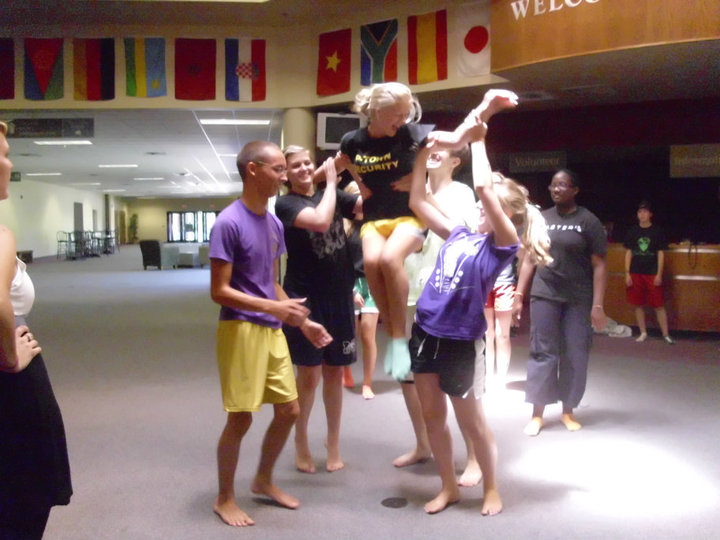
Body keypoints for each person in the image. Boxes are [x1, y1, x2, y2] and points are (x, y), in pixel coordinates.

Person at [407, 89, 553, 515]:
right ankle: (448, 487)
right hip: (425, 333)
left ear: (501, 215)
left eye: (486, 208)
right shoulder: (459, 234)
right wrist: (422, 154)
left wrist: (477, 138)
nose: (479, 208)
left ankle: (491, 487)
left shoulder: (501, 245)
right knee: (433, 417)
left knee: (471, 421)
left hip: (459, 341)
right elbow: (416, 201)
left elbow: (485, 186)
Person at [209, 140, 332, 527]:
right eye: (278, 169)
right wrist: (273, 308)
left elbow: (269, 282)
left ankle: (263, 480)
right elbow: (219, 291)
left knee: (290, 410)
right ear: (253, 170)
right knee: (241, 419)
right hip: (240, 329)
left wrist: (300, 319)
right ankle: (225, 498)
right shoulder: (228, 222)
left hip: (272, 327)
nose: (284, 176)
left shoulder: (274, 222)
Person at [340, 82, 491, 381]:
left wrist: (486, 107)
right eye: (396, 114)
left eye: (406, 113)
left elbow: (456, 138)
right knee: (371, 263)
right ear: (376, 111)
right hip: (375, 217)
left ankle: (398, 341)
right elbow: (342, 161)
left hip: (409, 217)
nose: (402, 120)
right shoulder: (353, 141)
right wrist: (360, 183)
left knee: (389, 259)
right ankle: (393, 332)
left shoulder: (412, 134)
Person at [0, 120, 73, 540]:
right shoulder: (0, 235)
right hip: (13, 389)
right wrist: (10, 356)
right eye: (5, 154)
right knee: (23, 501)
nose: (11, 164)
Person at [274, 146, 362, 473]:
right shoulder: (286, 204)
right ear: (285, 174)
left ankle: (333, 443)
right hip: (305, 298)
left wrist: (354, 170)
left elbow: (366, 205)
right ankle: (301, 441)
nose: (303, 168)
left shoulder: (330, 193)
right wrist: (331, 181)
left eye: (307, 163)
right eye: (295, 166)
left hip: (339, 296)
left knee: (335, 373)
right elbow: (321, 222)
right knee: (309, 375)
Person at [513, 168, 608, 437]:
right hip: (545, 293)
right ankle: (537, 415)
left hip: (578, 297)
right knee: (542, 351)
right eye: (553, 185)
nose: (556, 189)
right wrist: (518, 295)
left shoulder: (588, 221)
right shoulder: (541, 219)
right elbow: (529, 258)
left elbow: (600, 265)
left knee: (575, 353)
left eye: (563, 185)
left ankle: (568, 411)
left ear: (575, 190)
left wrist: (598, 305)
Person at [343, 181, 380, 400]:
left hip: (372, 283)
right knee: (350, 333)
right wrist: (351, 290)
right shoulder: (344, 228)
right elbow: (340, 262)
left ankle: (367, 382)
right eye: (355, 196)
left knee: (368, 335)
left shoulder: (374, 225)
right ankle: (345, 368)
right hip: (350, 283)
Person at [623, 200, 674, 344]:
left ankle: (665, 334)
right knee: (638, 304)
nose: (642, 214)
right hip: (635, 272)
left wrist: (659, 274)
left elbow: (661, 253)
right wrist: (627, 273)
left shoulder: (657, 231)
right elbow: (629, 252)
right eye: (640, 212)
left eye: (645, 212)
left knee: (658, 305)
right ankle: (643, 332)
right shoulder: (632, 231)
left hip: (652, 272)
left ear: (650, 214)